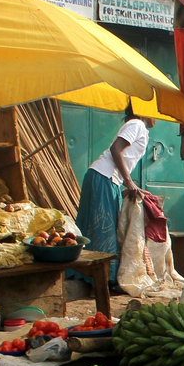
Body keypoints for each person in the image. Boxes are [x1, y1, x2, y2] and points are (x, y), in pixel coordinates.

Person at [76, 104, 154, 282]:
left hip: (105, 178)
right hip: (103, 177)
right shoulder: (137, 124)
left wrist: (125, 185)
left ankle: (87, 278)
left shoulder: (138, 127)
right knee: (104, 231)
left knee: (91, 230)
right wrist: (128, 180)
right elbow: (116, 149)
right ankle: (102, 280)